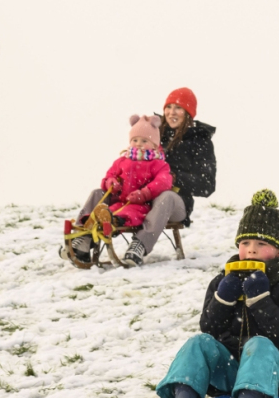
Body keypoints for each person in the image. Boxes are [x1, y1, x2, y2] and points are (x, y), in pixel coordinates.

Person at [156, 190, 279, 398]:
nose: (251, 250)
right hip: (229, 370)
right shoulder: (223, 280)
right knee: (198, 343)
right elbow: (209, 328)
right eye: (245, 243)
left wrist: (261, 300)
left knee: (258, 344)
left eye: (261, 244)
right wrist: (223, 299)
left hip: (270, 372)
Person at [68, 88, 216, 266]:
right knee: (98, 193)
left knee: (166, 197)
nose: (172, 112)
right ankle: (82, 239)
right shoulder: (153, 131)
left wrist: (174, 177)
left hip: (175, 202)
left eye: (178, 108)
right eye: (168, 107)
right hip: (138, 197)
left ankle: (140, 244)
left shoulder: (199, 141)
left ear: (188, 113)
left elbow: (207, 185)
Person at [64, 115, 173, 267]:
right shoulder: (122, 161)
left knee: (128, 213)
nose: (139, 144)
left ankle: (115, 223)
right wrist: (111, 183)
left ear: (154, 145)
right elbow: (109, 175)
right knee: (102, 202)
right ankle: (83, 237)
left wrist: (144, 193)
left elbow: (163, 182)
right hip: (120, 202)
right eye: (135, 140)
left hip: (141, 205)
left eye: (144, 141)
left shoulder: (158, 164)